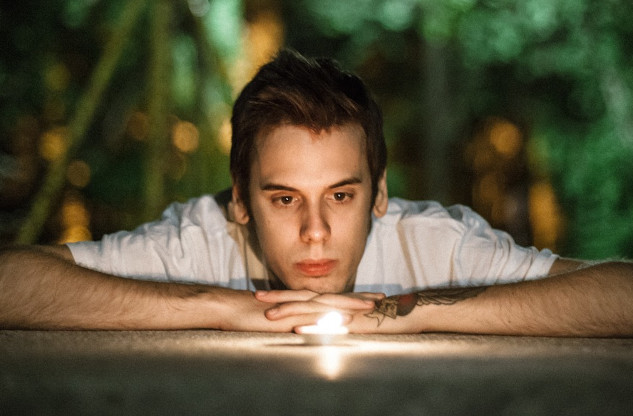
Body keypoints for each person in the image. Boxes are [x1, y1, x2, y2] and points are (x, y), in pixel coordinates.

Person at [1, 49, 632, 336]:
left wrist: (403, 313)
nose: (314, 231)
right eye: (283, 199)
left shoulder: (432, 243)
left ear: (379, 194)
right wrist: (225, 308)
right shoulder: (201, 237)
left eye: (340, 195)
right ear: (240, 202)